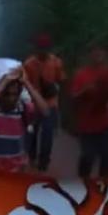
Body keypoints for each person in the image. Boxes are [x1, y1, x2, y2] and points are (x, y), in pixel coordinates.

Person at [0, 68, 48, 173]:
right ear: (0, 93)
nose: (10, 98)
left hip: (14, 168)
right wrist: (4, 82)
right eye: (7, 94)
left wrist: (26, 83)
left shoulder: (23, 109)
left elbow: (45, 110)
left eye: (14, 94)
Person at [70, 48, 108, 178]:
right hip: (87, 124)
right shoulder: (81, 74)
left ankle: (104, 185)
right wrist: (85, 90)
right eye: (95, 52)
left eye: (101, 52)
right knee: (88, 156)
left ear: (105, 54)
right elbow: (73, 97)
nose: (98, 55)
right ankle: (83, 182)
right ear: (90, 55)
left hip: (107, 122)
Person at [23, 33, 66, 172]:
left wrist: (56, 87)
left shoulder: (56, 63)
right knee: (32, 132)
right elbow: (24, 83)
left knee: (47, 133)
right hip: (34, 103)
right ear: (36, 48)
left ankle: (43, 161)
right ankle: (31, 156)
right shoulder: (29, 64)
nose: (42, 50)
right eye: (40, 48)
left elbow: (62, 80)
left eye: (45, 48)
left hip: (51, 103)